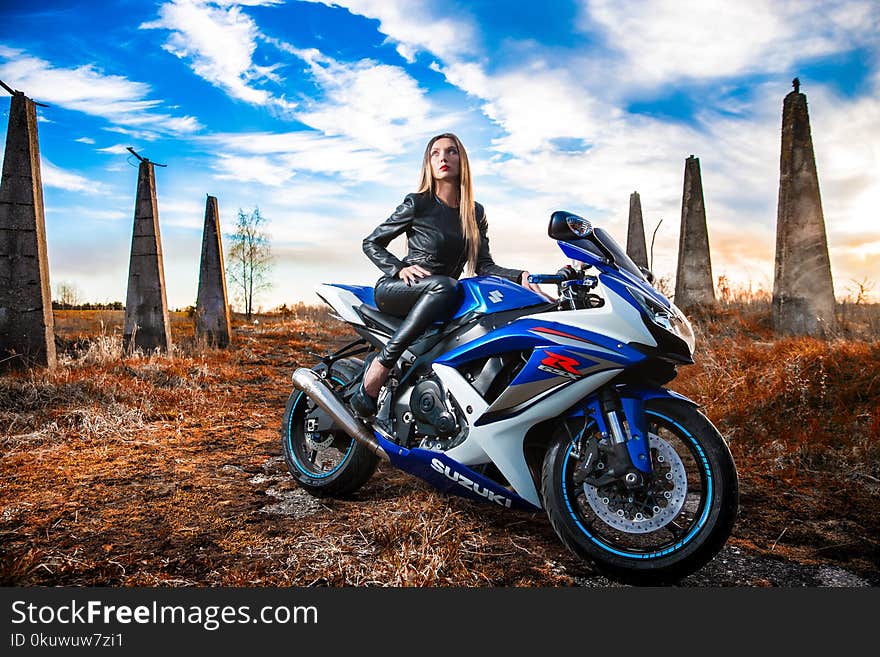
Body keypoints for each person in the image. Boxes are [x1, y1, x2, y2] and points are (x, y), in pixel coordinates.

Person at [351, 132, 549, 417]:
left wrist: (521, 276)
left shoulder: (474, 212)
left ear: (462, 160)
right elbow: (371, 242)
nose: (443, 157)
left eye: (451, 151)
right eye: (436, 153)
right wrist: (398, 268)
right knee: (446, 286)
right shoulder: (418, 203)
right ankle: (381, 365)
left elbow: (484, 266)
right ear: (429, 163)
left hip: (443, 293)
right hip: (399, 290)